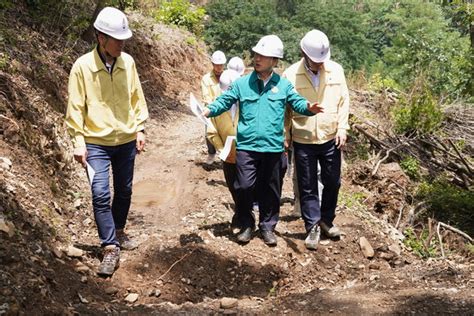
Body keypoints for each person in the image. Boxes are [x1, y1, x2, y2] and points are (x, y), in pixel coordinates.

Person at [203, 35, 322, 246]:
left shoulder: (284, 85)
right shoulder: (242, 84)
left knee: (271, 190)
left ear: (274, 61)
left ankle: (267, 227)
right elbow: (224, 100)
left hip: (273, 148)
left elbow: (297, 103)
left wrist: (309, 109)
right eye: (256, 54)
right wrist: (210, 109)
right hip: (247, 147)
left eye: (263, 56)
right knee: (243, 186)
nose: (257, 59)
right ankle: (247, 223)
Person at [65, 7, 149, 276]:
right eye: (118, 39)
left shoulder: (128, 63)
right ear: (101, 38)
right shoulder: (82, 67)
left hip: (125, 139)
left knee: (124, 191)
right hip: (95, 142)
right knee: (101, 193)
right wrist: (78, 141)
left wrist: (140, 128)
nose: (123, 44)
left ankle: (120, 230)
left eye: (124, 39)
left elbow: (137, 97)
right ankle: (110, 245)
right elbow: (75, 107)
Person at [283, 29, 349, 250]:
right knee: (308, 185)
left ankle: (326, 220)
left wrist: (342, 127)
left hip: (330, 137)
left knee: (333, 182)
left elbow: (343, 101)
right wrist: (286, 135)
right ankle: (311, 225)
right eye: (315, 60)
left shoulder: (336, 71)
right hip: (303, 138)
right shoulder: (291, 75)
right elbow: (285, 109)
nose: (320, 64)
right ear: (303, 53)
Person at [206, 69, 241, 232]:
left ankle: (243, 217)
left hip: (246, 152)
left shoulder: (247, 103)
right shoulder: (216, 106)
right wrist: (221, 149)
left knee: (247, 186)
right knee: (233, 186)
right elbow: (212, 131)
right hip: (227, 155)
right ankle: (241, 215)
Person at [201, 50, 227, 165]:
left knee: (226, 133)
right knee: (209, 133)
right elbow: (206, 96)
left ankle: (225, 155)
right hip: (211, 109)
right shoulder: (206, 79)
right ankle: (211, 153)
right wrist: (213, 108)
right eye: (217, 65)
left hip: (226, 110)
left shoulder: (228, 77)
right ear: (212, 64)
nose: (219, 67)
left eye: (221, 65)